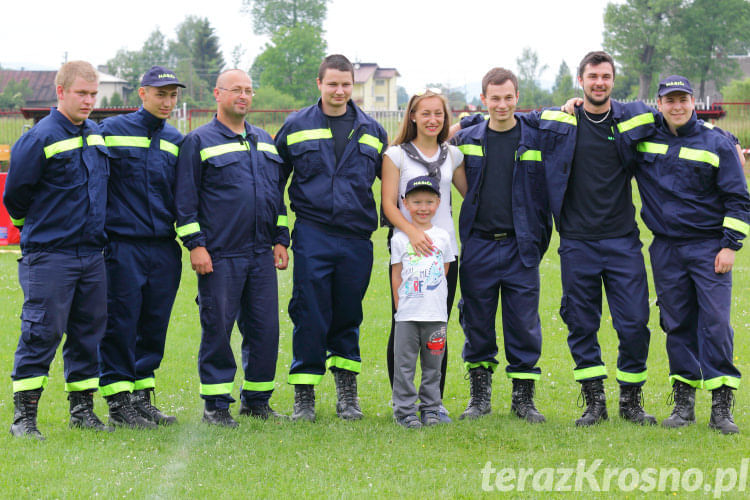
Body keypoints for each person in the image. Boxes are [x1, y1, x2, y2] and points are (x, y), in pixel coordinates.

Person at [528, 51, 658, 426]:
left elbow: (675, 117)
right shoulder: (560, 120)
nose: (599, 82)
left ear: (613, 81)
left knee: (634, 323)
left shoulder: (632, 117)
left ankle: (631, 402)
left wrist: (728, 141)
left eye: (605, 76)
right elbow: (511, 119)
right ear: (581, 81)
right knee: (582, 323)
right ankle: (595, 402)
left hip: (622, 242)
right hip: (577, 243)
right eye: (592, 76)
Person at [632, 76, 749, 434]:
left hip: (709, 247)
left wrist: (730, 245)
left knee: (715, 323)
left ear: (693, 101)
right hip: (666, 248)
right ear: (660, 103)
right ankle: (683, 404)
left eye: (683, 99)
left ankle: (721, 406)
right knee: (677, 323)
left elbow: (738, 198)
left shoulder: (717, 142)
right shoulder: (646, 141)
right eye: (670, 100)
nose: (677, 106)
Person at [175, 69, 290, 427]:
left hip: (260, 254)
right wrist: (196, 246)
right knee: (218, 329)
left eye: (248, 90)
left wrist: (281, 238)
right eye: (236, 90)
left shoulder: (265, 141)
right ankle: (216, 405)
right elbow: (184, 202)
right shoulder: (198, 141)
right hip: (220, 254)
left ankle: (257, 401)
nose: (243, 96)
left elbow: (276, 196)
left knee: (265, 329)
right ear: (218, 94)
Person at [275, 54, 387, 422]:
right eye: (332, 84)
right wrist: (279, 234)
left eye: (346, 84)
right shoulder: (295, 126)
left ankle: (347, 394)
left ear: (353, 85)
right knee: (309, 311)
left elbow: (394, 186)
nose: (339, 91)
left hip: (356, 238)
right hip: (313, 233)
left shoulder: (373, 131)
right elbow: (273, 185)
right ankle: (304, 395)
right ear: (319, 84)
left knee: (348, 313)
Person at [4, 61, 111, 439]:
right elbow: (15, 196)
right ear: (61, 92)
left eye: (93, 94)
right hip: (51, 256)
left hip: (92, 256)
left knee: (89, 332)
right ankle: (24, 418)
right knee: (42, 331)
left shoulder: (95, 134)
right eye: (82, 93)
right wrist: (35, 231)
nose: (88, 101)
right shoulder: (39, 138)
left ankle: (82, 411)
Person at [451, 68, 552, 423]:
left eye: (508, 97)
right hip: (478, 244)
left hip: (521, 246)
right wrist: (461, 124)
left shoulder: (536, 137)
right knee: (477, 322)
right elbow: (430, 145)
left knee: (524, 324)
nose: (502, 104)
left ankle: (523, 401)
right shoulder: (467, 138)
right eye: (494, 98)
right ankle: (479, 399)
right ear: (484, 100)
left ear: (517, 98)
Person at [97, 66, 185, 429]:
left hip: (164, 247)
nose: (167, 101)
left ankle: (141, 397)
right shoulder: (111, 132)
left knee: (153, 324)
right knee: (121, 322)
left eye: (172, 95)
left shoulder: (177, 140)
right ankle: (118, 402)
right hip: (122, 246)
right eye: (160, 94)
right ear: (142, 93)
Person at [380, 88, 466, 423]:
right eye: (425, 113)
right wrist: (415, 234)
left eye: (439, 114)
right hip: (409, 253)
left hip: (444, 253)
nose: (432, 120)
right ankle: (402, 404)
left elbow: (466, 193)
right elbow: (389, 203)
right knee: (403, 325)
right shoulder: (396, 155)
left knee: (437, 330)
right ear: (412, 116)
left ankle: (433, 404)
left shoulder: (453, 156)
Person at [390, 176, 454, 428]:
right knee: (404, 366)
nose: (423, 207)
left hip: (435, 316)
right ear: (405, 203)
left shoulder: (443, 237)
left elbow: (445, 268)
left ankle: (430, 408)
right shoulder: (399, 239)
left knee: (432, 368)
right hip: (407, 316)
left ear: (438, 203)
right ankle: (405, 411)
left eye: (429, 201)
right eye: (416, 202)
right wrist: (400, 306)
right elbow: (396, 275)